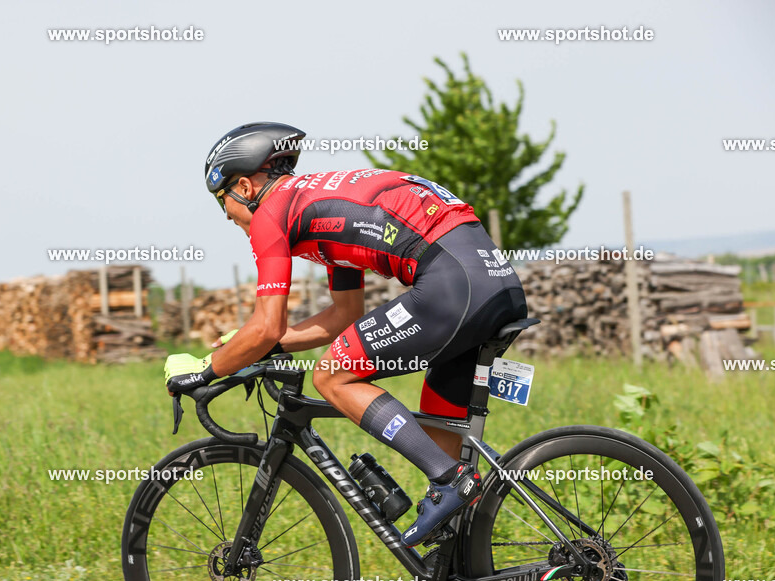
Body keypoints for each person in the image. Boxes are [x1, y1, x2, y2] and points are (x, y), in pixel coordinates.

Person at [165, 121, 527, 556]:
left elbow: (266, 325)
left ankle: (452, 480)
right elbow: (343, 314)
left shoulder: (271, 214)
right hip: (496, 283)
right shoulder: (317, 207)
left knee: (333, 376)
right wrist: (261, 349)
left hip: (455, 284)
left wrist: (206, 370)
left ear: (243, 186)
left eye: (228, 208)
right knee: (437, 435)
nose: (234, 221)